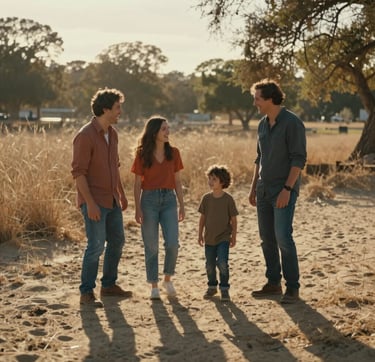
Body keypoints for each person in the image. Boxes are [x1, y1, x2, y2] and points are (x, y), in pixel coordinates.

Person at [71, 87, 132, 307]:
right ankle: (86, 293)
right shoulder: (85, 136)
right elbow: (78, 173)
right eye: (117, 108)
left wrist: (122, 195)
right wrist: (90, 203)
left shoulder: (113, 134)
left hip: (112, 199)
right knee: (96, 246)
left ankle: (108, 286)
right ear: (105, 109)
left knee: (117, 241)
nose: (120, 112)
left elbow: (114, 167)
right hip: (94, 201)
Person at [248, 79, 307, 304]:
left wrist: (287, 189)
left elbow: (299, 159)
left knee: (283, 237)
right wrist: (254, 187)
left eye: (257, 99)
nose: (255, 103)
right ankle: (273, 283)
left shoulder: (292, 123)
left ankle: (292, 287)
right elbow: (259, 157)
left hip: (283, 190)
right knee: (267, 239)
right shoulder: (262, 124)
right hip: (263, 190)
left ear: (270, 99)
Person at [131, 116, 185, 300]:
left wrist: (182, 205)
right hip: (148, 201)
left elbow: (177, 181)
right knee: (151, 246)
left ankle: (167, 279)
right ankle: (153, 285)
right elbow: (137, 184)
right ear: (154, 132)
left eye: (168, 128)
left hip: (169, 200)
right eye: (164, 129)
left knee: (172, 244)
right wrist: (137, 208)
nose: (168, 132)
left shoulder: (174, 153)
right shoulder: (142, 155)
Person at [198, 165, 238, 302]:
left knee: (222, 263)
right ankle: (212, 286)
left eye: (214, 179)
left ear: (222, 182)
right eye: (209, 178)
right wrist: (199, 234)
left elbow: (233, 219)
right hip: (209, 238)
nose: (210, 181)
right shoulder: (206, 199)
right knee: (209, 265)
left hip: (224, 238)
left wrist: (233, 236)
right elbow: (202, 218)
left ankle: (224, 288)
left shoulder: (228, 199)